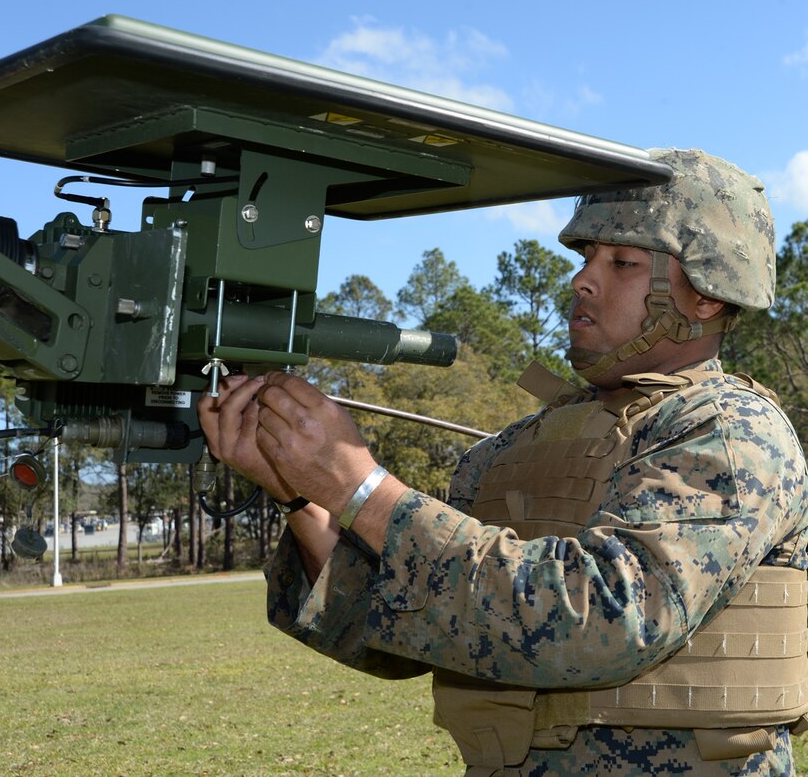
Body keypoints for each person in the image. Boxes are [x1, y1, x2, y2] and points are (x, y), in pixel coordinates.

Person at [198, 149, 808, 776]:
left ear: (706, 298)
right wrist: (300, 494)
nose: (583, 280)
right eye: (585, 258)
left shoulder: (731, 433)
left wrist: (362, 489)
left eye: (621, 261)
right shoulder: (510, 452)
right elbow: (391, 627)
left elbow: (606, 618)